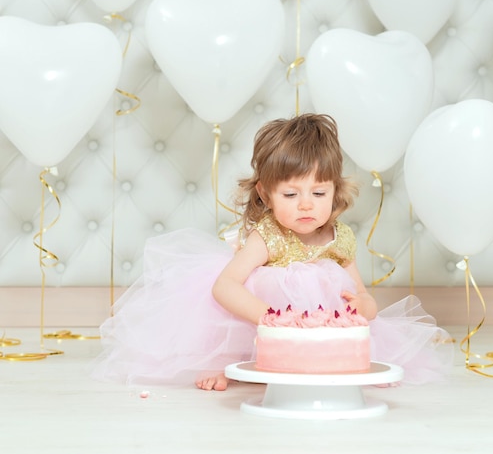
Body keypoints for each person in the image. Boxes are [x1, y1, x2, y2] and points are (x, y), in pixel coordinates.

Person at [90, 113, 453, 391]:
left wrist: (364, 307)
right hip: (262, 322)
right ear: (265, 194)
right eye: (291, 195)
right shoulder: (267, 236)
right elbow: (226, 286)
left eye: (319, 193)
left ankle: (337, 364)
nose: (306, 206)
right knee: (231, 316)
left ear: (336, 190)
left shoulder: (340, 239)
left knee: (355, 350)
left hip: (319, 327)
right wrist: (269, 316)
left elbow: (362, 295)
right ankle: (224, 361)